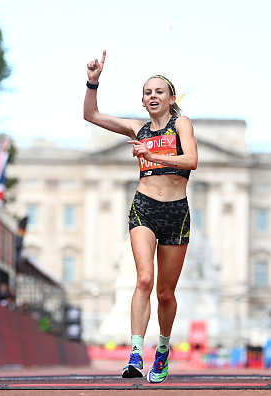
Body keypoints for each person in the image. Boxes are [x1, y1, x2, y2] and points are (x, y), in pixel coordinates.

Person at [83, 51, 198, 383]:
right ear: (143, 100)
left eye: (159, 91)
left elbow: (191, 160)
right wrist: (93, 80)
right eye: (147, 92)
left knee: (165, 293)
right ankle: (135, 352)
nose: (152, 96)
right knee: (143, 280)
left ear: (171, 98)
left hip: (176, 212)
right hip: (144, 207)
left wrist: (152, 152)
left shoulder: (182, 124)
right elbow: (90, 114)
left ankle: (162, 348)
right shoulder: (137, 128)